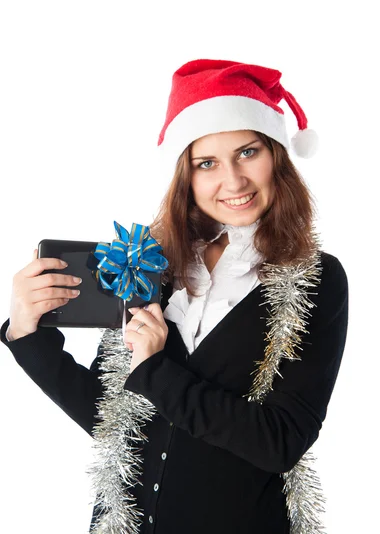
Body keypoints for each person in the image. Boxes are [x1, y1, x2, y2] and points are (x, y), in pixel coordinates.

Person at [1, 58, 349, 534]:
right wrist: (26, 332)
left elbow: (281, 441)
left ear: (277, 155)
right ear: (185, 177)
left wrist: (154, 370)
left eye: (247, 152)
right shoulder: (152, 264)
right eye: (206, 163)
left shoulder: (316, 278)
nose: (232, 180)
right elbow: (113, 421)